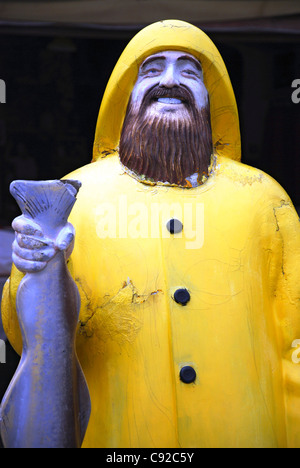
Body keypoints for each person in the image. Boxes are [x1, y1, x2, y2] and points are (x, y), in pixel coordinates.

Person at [1, 20, 300, 448]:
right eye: (152, 69)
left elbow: (295, 335)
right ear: (124, 98)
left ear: (212, 99)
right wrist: (29, 268)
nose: (170, 81)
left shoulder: (265, 200)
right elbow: (23, 338)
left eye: (190, 71)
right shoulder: (74, 198)